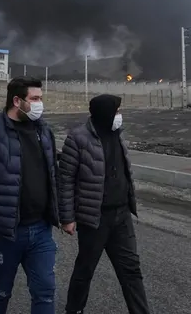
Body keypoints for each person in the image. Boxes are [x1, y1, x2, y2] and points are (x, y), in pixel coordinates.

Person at [0, 76, 60, 314]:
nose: (40, 104)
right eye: (35, 98)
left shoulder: (44, 131)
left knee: (45, 292)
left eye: (41, 98)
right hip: (5, 231)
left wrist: (63, 214)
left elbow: (53, 174)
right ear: (17, 101)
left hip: (41, 230)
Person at [59, 94, 150, 314]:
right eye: (117, 111)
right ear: (106, 112)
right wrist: (67, 217)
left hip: (121, 215)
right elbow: (65, 180)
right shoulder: (77, 138)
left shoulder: (117, 134)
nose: (120, 115)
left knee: (131, 270)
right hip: (94, 217)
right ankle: (74, 310)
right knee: (85, 269)